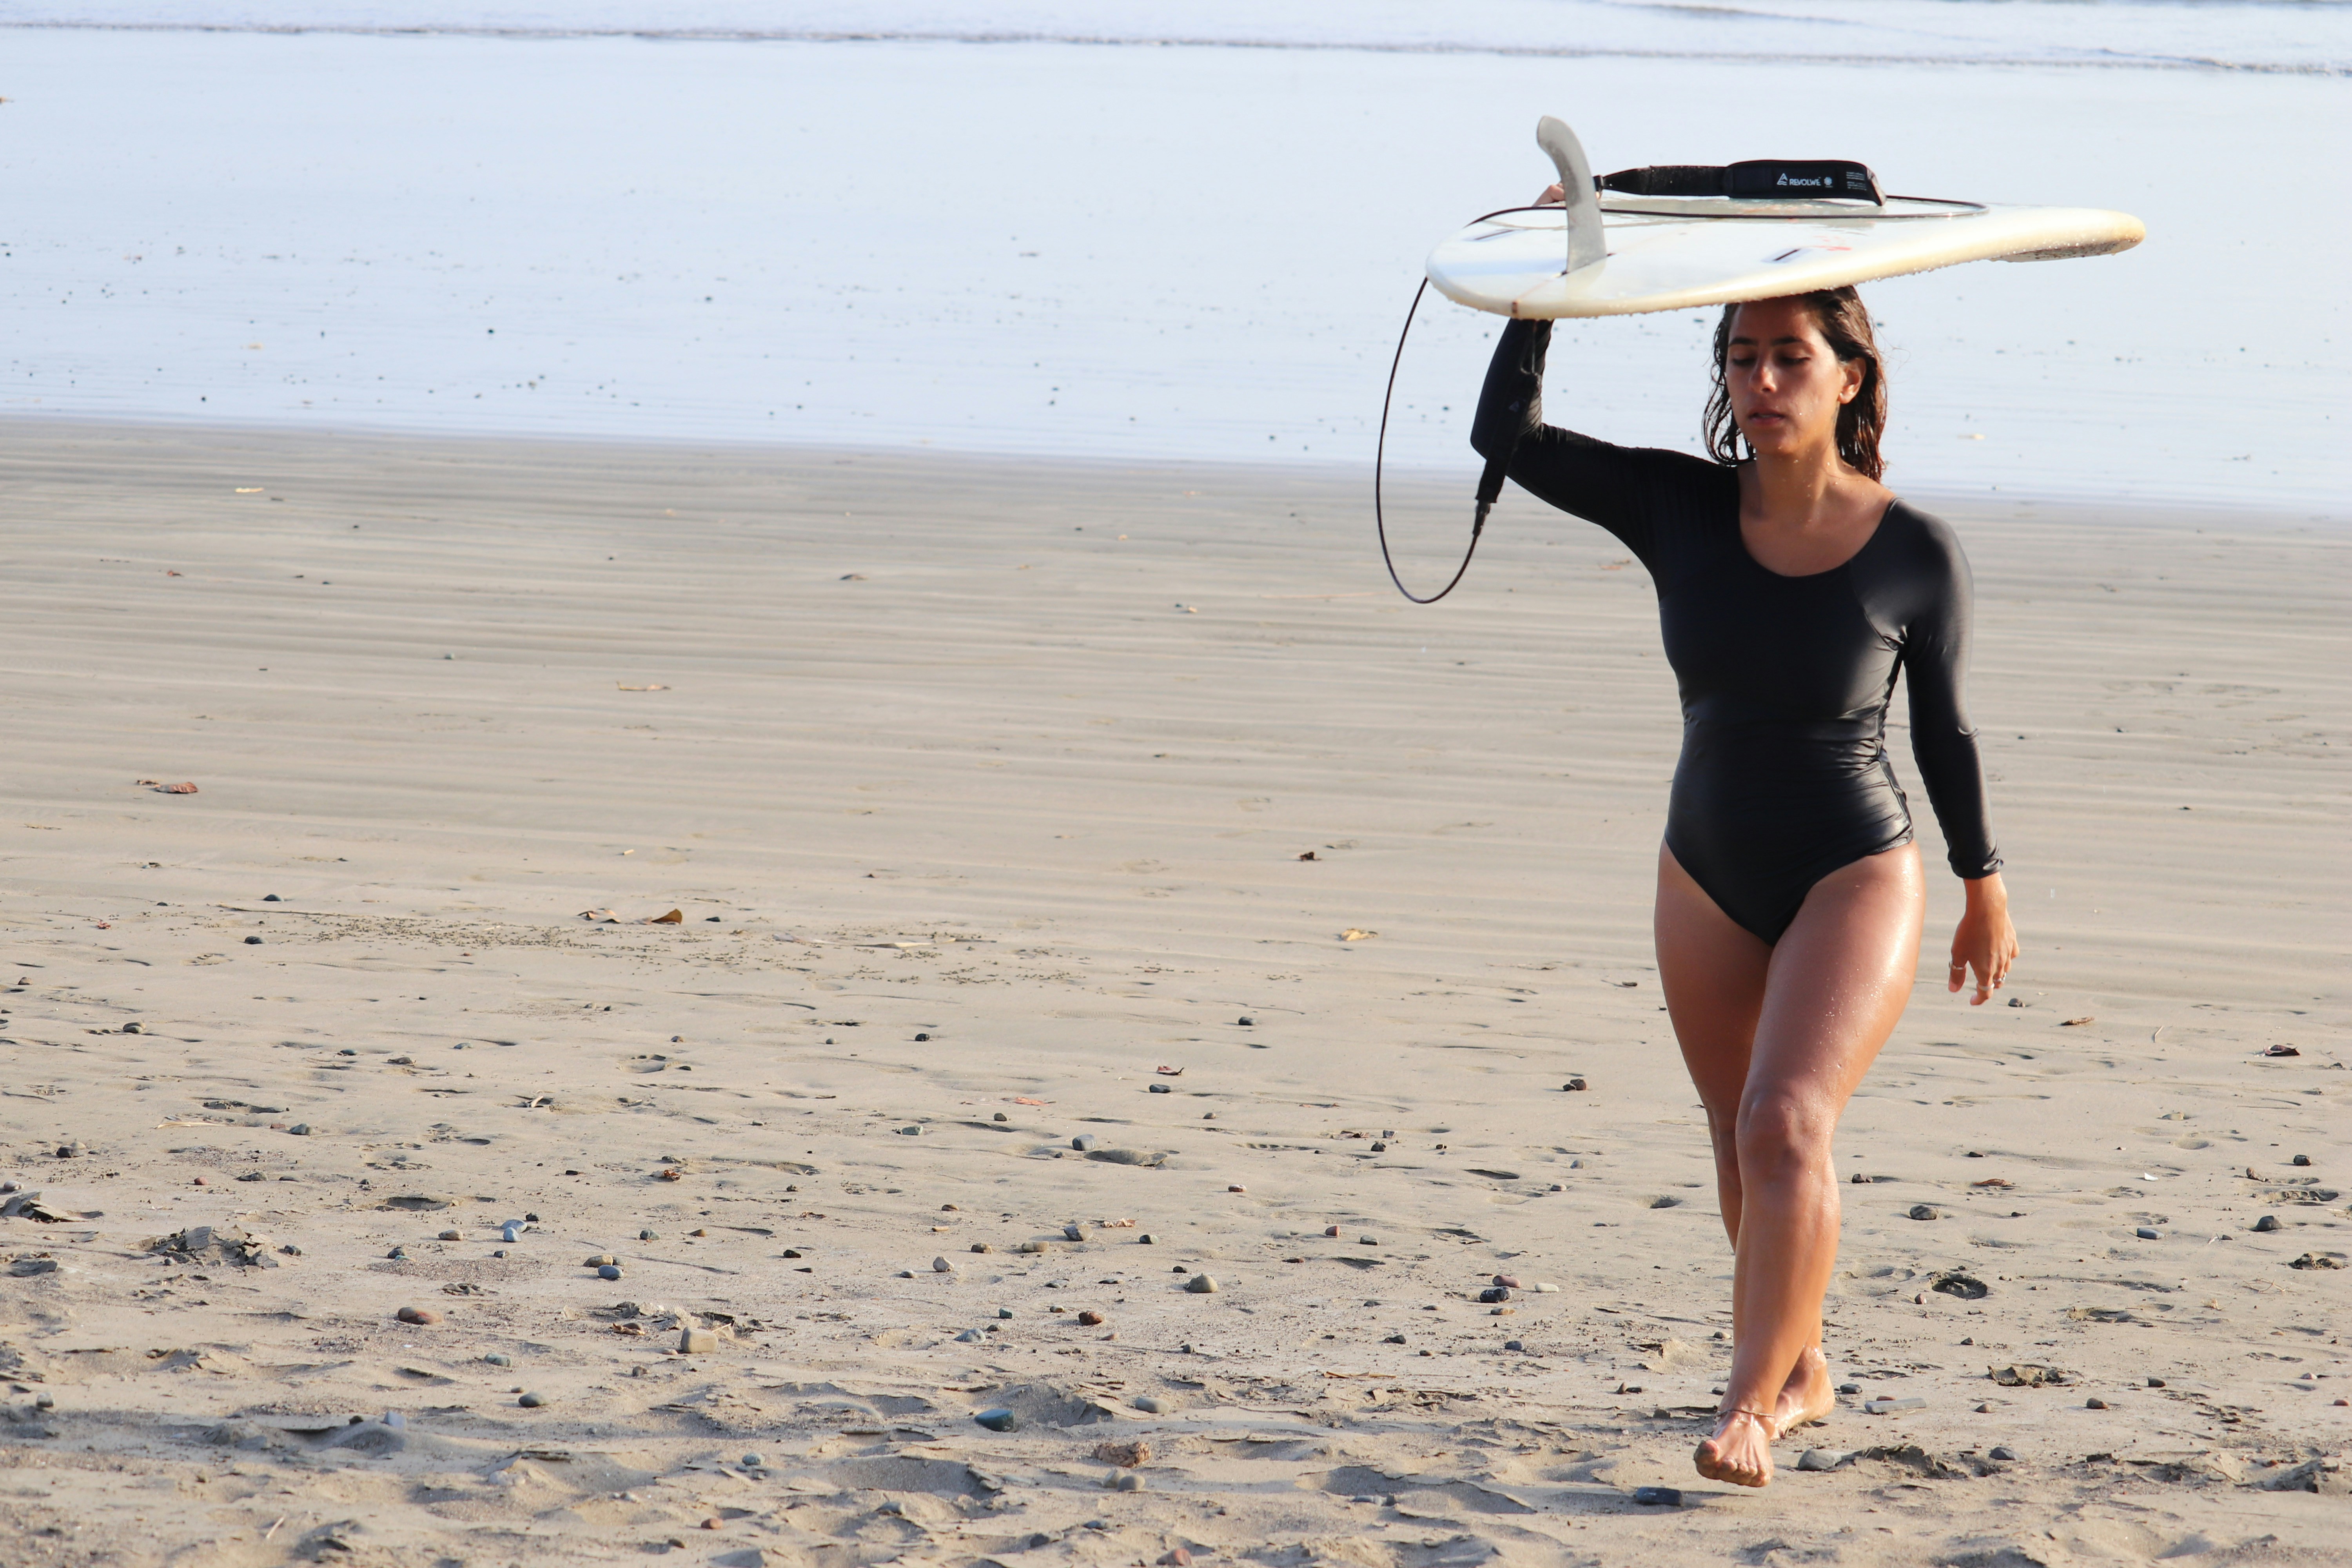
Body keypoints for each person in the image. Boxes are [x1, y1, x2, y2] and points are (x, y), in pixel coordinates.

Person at [1470, 188, 2020, 1490]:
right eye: (1740, 355)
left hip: (1853, 865)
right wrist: (1556, 276)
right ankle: (1805, 1366)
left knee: (1786, 1122)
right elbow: (1505, 430)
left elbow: (1944, 736)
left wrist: (1983, 885)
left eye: (1790, 357)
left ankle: (1749, 1409)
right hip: (1703, 865)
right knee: (1741, 1140)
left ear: (1850, 377)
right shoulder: (1678, 509)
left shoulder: (1916, 553)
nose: (1762, 380)